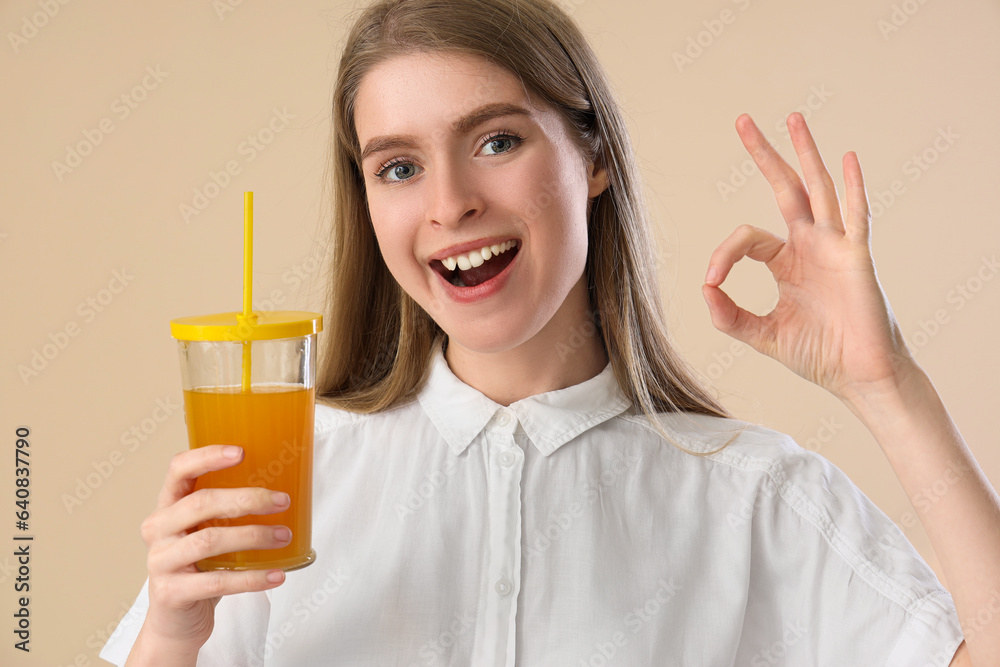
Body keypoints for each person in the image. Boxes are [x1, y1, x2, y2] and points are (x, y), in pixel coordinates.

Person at [101, 0, 998, 664]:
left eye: (496, 141)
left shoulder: (756, 497)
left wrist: (889, 387)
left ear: (595, 157)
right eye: (400, 166)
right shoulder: (284, 492)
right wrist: (171, 637)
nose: (450, 203)